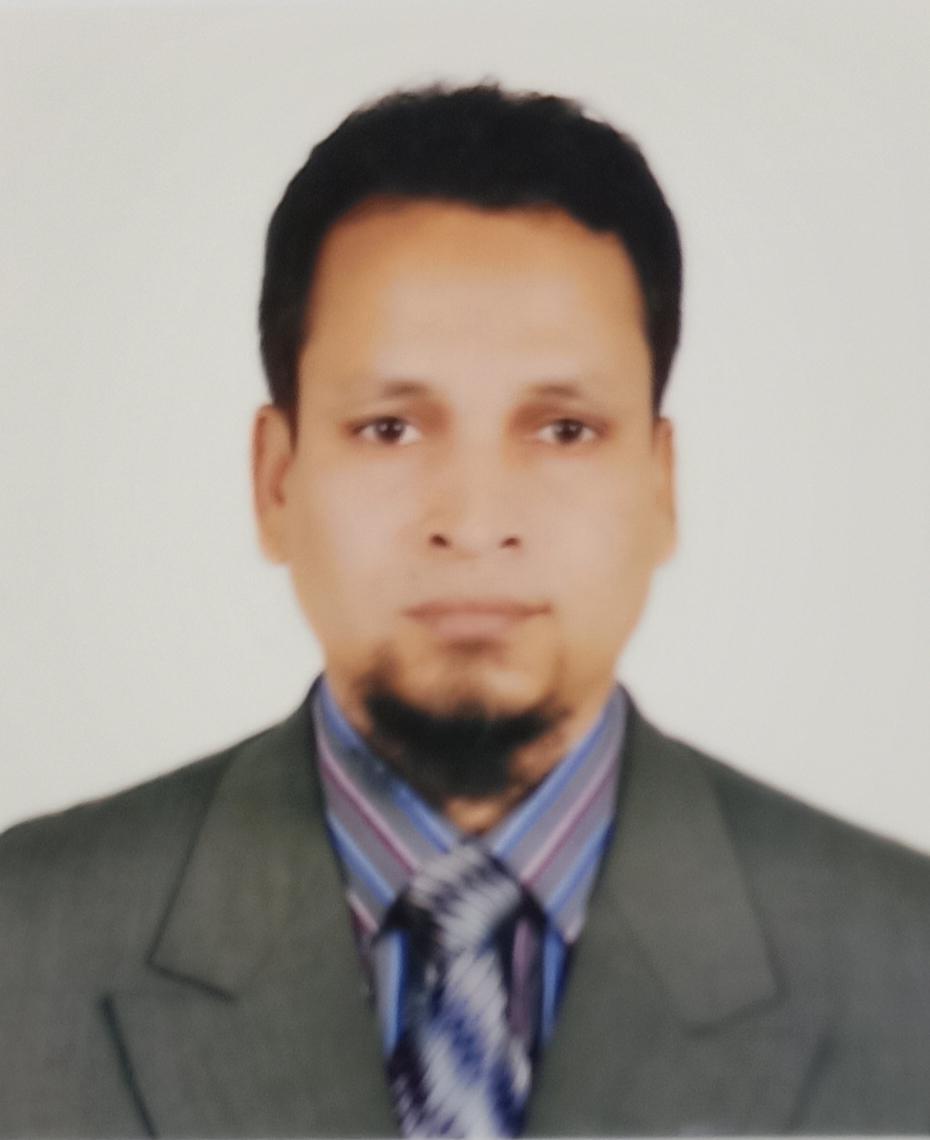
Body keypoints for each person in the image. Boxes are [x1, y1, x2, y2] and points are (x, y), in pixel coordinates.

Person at [2, 82, 929, 1139]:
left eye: (565, 430)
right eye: (390, 428)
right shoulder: (21, 949)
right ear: (275, 481)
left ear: (660, 489)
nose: (476, 523)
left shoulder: (905, 963)